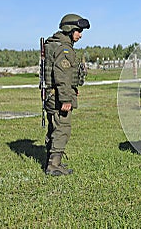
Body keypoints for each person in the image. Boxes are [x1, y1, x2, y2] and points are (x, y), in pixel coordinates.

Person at [43, 14, 90, 176]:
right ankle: (53, 165)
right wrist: (65, 99)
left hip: (51, 94)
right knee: (63, 128)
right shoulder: (64, 49)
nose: (80, 34)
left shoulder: (54, 44)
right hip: (58, 96)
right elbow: (62, 75)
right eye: (78, 31)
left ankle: (51, 160)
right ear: (69, 29)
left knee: (54, 128)